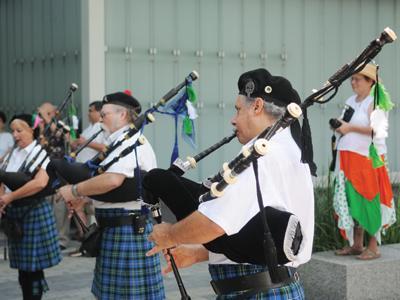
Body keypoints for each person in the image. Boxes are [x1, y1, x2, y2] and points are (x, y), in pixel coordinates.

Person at [145, 68, 315, 299]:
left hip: (256, 293)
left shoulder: (261, 154)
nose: (233, 120)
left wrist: (170, 235)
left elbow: (214, 223)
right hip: (270, 287)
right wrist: (199, 253)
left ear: (256, 106)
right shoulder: (290, 150)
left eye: (237, 110)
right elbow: (257, 231)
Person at [58, 92, 165, 299]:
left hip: (127, 230)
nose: (100, 119)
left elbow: (112, 180)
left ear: (122, 115)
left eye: (104, 114)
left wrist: (73, 190)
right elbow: (119, 186)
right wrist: (86, 197)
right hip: (117, 229)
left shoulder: (130, 142)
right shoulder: (119, 143)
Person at [333, 63, 396, 260]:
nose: (353, 82)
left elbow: (376, 130)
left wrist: (349, 128)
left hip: (368, 159)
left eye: (358, 79)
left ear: (370, 82)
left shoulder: (376, 101)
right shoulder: (351, 100)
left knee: (369, 199)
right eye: (352, 79)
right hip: (347, 157)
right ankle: (357, 244)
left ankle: (373, 246)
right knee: (353, 201)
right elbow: (346, 124)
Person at [0, 114, 61, 300]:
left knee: (33, 267)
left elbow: (39, 183)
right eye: (13, 131)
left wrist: (9, 197)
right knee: (22, 268)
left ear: (32, 130)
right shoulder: (12, 152)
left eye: (20, 130)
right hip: (14, 212)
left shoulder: (41, 153)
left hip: (34, 211)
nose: (16, 135)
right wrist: (2, 198)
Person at [69, 101, 107, 243]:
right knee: (77, 204)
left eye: (91, 110)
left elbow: (105, 148)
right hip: (81, 170)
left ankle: (92, 238)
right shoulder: (89, 127)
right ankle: (86, 238)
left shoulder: (102, 127)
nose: (88, 113)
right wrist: (75, 142)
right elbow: (81, 144)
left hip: (93, 171)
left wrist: (85, 142)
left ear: (99, 112)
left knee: (87, 204)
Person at [37, 102, 71, 250]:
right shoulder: (41, 127)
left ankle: (62, 239)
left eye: (44, 112)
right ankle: (48, 237)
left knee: (59, 206)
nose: (40, 115)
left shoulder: (61, 125)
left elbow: (64, 137)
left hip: (60, 170)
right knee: (46, 204)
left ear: (53, 113)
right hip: (44, 170)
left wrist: (46, 117)